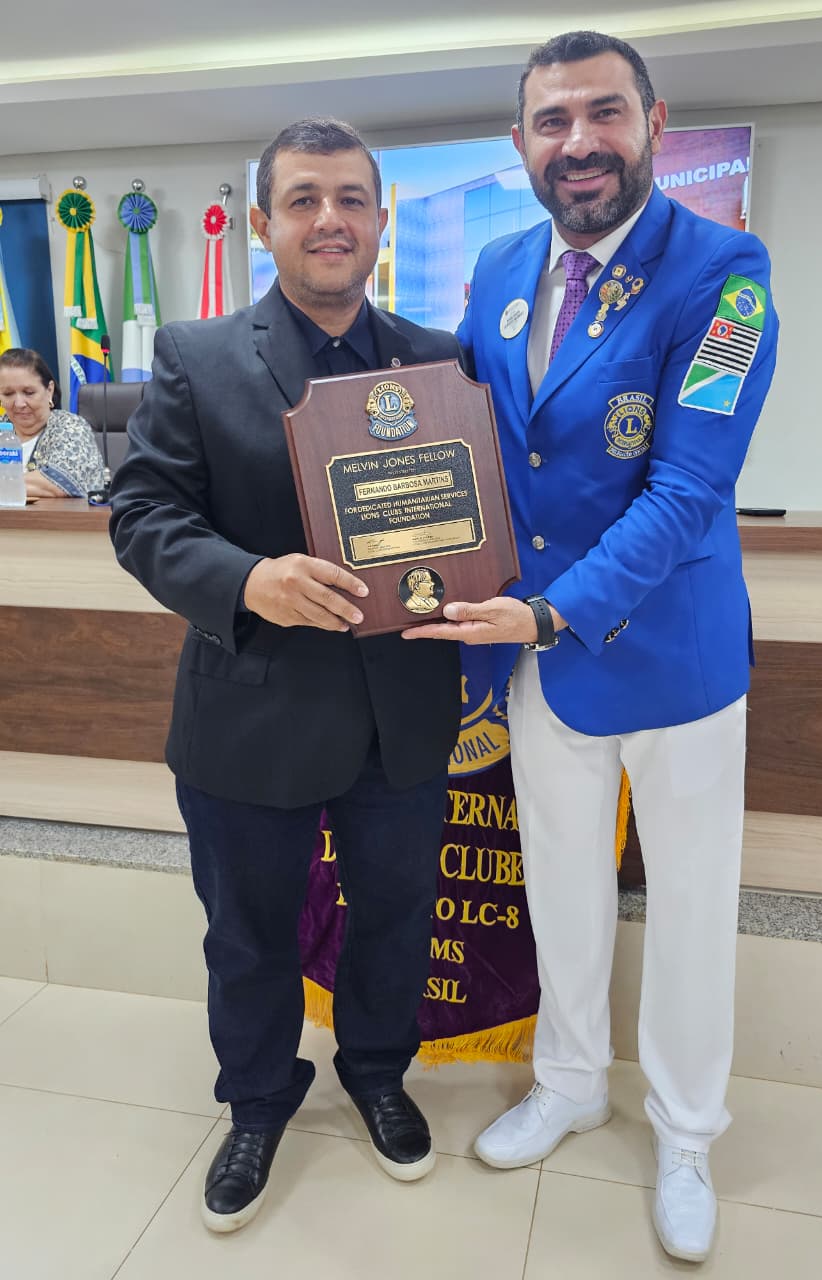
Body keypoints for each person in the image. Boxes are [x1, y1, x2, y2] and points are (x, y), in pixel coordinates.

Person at [404, 31, 778, 1264]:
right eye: (552, 120)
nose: (579, 142)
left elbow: (687, 490)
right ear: (520, 142)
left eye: (603, 113)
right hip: (532, 656)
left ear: (654, 123)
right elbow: (470, 442)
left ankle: (686, 1130)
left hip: (668, 655)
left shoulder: (727, 275)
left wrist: (553, 609)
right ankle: (568, 1080)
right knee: (559, 883)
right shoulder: (501, 267)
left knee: (689, 905)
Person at [109, 118, 462, 1234]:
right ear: (263, 224)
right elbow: (142, 514)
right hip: (251, 713)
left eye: (351, 198)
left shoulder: (440, 359)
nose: (330, 220)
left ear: (382, 220)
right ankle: (258, 1102)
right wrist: (249, 579)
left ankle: (377, 1071)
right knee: (249, 932)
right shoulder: (196, 354)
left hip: (403, 716)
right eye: (304, 199)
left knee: (396, 915)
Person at [0, 347, 104, 497]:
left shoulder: (70, 427)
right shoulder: (3, 427)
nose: (19, 403)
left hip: (65, 513)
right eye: (8, 394)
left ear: (49, 390)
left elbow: (57, 484)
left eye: (29, 393)